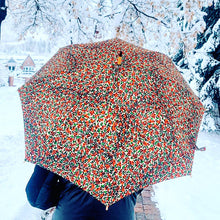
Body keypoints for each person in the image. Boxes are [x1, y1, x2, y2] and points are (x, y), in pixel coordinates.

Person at [26, 165, 141, 220]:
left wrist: (61, 194)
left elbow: (36, 195)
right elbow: (139, 185)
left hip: (71, 214)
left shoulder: (63, 136)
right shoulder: (137, 140)